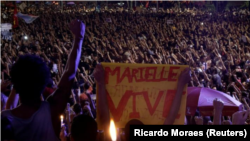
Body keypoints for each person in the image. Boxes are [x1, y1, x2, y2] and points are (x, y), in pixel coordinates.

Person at [0, 19, 85, 141]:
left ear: (16, 85)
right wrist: (78, 39)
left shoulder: (5, 118)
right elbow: (69, 73)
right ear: (42, 82)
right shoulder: (52, 110)